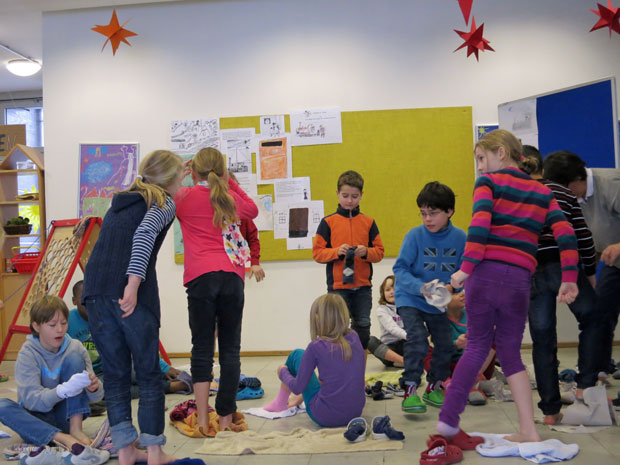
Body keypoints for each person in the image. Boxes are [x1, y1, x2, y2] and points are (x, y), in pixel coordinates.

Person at [437, 129, 579, 445]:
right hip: (519, 282)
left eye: (481, 158)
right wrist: (569, 277)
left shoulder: (488, 183)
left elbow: (479, 227)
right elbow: (566, 235)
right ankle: (528, 430)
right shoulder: (542, 192)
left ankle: (448, 421)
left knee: (477, 346)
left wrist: (463, 271)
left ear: (501, 153)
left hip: (484, 277)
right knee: (511, 352)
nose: (479, 167)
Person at [82, 149, 184, 465]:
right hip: (127, 290)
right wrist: (133, 284)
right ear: (172, 179)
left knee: (115, 375)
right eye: (181, 175)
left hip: (95, 291)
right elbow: (144, 234)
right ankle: (154, 451)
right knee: (149, 373)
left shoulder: (121, 202)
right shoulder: (163, 202)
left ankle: (126, 450)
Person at [175, 147, 258, 434]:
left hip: (201, 278)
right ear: (222, 171)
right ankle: (225, 419)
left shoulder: (183, 197)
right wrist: (228, 181)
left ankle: (201, 420)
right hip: (232, 278)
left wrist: (181, 174)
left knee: (201, 349)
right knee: (230, 350)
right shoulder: (229, 197)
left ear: (194, 171)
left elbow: (161, 193)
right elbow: (253, 210)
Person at [520, 147, 602, 425]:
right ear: (573, 179)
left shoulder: (522, 193)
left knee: (543, 339)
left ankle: (550, 412)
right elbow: (583, 236)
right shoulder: (564, 194)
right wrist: (589, 272)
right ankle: (584, 385)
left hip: (531, 270)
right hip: (561, 264)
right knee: (593, 317)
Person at [0, 296, 109, 464]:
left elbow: (96, 397)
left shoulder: (75, 347)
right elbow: (31, 401)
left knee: (74, 358)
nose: (60, 329)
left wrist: (94, 388)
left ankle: (75, 430)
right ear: (36, 326)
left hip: (66, 417)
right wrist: (61, 391)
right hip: (38, 421)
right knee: (2, 406)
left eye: (64, 323)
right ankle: (63, 438)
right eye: (52, 325)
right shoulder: (28, 353)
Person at [542, 151, 620, 382]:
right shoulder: (574, 198)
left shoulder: (612, 185)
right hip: (614, 264)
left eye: (561, 189)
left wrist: (619, 246)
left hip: (617, 253)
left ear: (576, 180)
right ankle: (598, 369)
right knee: (600, 311)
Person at [393, 181, 466, 413]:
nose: (427, 219)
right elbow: (400, 269)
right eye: (423, 213)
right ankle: (410, 390)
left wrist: (452, 289)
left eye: (433, 213)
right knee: (418, 339)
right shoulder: (414, 236)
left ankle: (434, 387)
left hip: (438, 302)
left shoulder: (460, 238)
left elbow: (464, 271)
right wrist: (421, 287)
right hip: (410, 298)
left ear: (449, 211)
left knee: (445, 343)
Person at [69, 281, 191, 399]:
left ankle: (180, 380)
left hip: (116, 365)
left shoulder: (109, 316)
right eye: (83, 298)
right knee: (109, 390)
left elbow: (137, 344)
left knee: (145, 370)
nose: (89, 302)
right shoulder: (67, 322)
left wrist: (164, 368)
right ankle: (170, 387)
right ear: (74, 301)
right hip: (93, 375)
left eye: (92, 297)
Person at [262, 293, 365, 427]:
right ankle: (292, 401)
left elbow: (297, 387)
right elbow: (339, 377)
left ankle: (280, 403)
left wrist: (282, 372)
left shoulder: (316, 347)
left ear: (317, 319)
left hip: (324, 416)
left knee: (296, 354)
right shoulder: (354, 336)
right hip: (355, 413)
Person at [313, 170, 384, 351]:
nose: (350, 201)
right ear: (337, 193)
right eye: (345, 196)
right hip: (338, 287)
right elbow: (318, 253)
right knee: (338, 329)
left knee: (363, 328)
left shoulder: (369, 222)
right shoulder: (328, 222)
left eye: (354, 196)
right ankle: (339, 363)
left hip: (363, 287)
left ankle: (358, 364)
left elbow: (379, 252)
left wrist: (366, 252)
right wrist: (336, 252)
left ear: (361, 195)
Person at [229, 173, 266, 282]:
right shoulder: (211, 212)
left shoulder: (243, 214)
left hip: (236, 269)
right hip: (215, 268)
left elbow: (253, 238)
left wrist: (255, 262)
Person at [368, 275, 405, 367]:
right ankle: (404, 362)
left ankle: (405, 362)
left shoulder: (407, 307)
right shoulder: (381, 310)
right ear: (383, 293)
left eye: (394, 289)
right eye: (387, 290)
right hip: (390, 348)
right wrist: (409, 336)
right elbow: (392, 328)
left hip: (407, 344)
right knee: (369, 340)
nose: (391, 292)